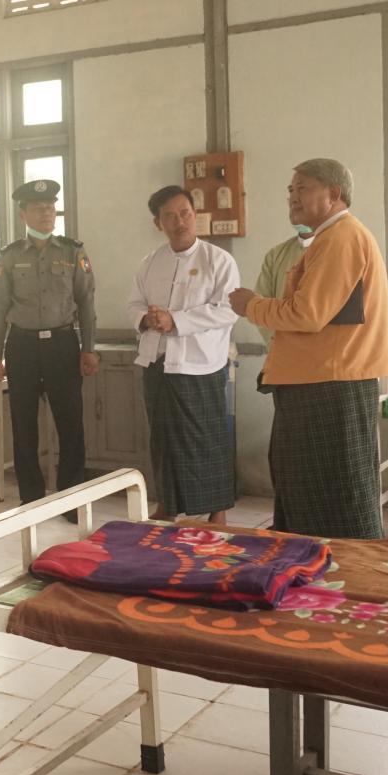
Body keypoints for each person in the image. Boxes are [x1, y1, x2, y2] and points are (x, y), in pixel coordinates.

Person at [229, 158, 388, 539]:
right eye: (290, 189)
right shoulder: (327, 239)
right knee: (303, 491)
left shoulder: (341, 238)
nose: (292, 197)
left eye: (302, 188)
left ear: (334, 194)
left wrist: (251, 305)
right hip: (316, 381)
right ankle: (310, 561)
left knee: (333, 495)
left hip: (330, 386)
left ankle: (341, 567)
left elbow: (307, 314)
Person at [126, 186, 240, 524]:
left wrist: (176, 320)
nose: (180, 222)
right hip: (158, 363)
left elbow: (227, 310)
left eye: (185, 213)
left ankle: (218, 510)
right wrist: (145, 319)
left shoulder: (218, 260)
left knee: (208, 438)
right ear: (158, 223)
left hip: (201, 365)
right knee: (163, 439)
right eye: (170, 216)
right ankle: (167, 505)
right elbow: (133, 304)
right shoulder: (150, 262)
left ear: (195, 214)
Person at [0, 179, 98, 515]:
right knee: (23, 425)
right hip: (21, 346)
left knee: (70, 423)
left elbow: (86, 303)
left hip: (62, 344)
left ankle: (71, 499)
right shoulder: (9, 256)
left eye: (51, 207)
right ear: (23, 214)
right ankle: (31, 498)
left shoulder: (72, 252)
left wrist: (88, 348)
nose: (47, 213)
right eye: (39, 209)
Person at [253, 211, 314, 348]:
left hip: (326, 352)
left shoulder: (337, 250)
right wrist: (279, 344)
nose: (295, 206)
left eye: (300, 202)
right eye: (292, 202)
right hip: (281, 349)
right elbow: (260, 305)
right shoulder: (276, 254)